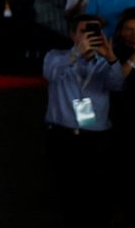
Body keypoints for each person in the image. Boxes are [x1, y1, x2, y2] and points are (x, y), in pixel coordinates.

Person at [43, 15, 123, 228]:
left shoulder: (105, 63)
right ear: (72, 34)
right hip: (63, 135)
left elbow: (117, 85)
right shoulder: (56, 56)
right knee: (67, 190)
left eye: (95, 31)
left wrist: (112, 57)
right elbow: (50, 73)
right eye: (84, 31)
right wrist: (76, 53)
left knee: (99, 189)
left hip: (97, 136)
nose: (90, 36)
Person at [109, 12, 135, 228]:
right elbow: (115, 82)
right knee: (129, 179)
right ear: (121, 32)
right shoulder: (114, 54)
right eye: (130, 29)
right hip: (124, 126)